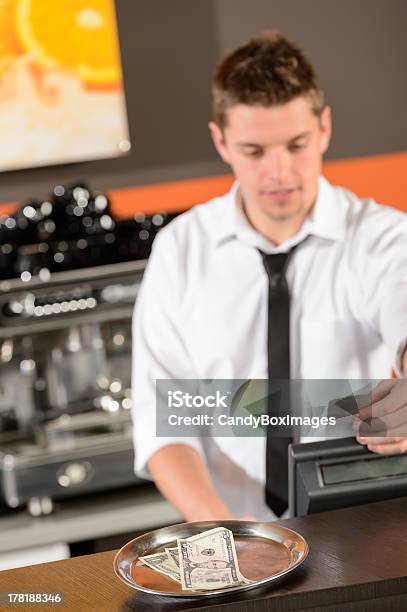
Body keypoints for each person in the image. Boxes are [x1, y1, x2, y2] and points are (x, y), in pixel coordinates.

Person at [131, 32, 407, 522]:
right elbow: (163, 426)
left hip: (360, 519)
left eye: (296, 145)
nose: (280, 172)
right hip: (227, 523)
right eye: (255, 151)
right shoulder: (179, 251)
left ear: (324, 129)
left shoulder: (382, 237)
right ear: (221, 141)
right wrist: (231, 536)